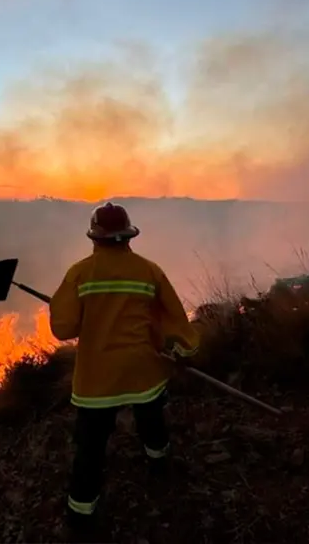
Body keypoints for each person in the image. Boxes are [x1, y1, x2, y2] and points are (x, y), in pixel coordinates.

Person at [48, 201, 200, 534]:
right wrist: (187, 347)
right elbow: (175, 316)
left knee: (90, 447)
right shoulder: (149, 271)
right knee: (151, 418)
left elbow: (63, 329)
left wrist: (80, 311)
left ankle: (81, 515)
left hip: (96, 379)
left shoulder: (79, 273)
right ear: (129, 236)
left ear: (95, 238)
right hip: (142, 369)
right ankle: (158, 464)